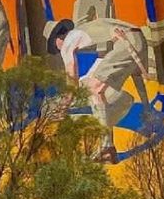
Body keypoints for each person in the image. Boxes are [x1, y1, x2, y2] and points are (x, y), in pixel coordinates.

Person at [44, 17, 149, 162]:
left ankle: (106, 148)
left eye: (55, 47)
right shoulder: (88, 31)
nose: (58, 50)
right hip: (137, 39)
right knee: (95, 86)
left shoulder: (68, 42)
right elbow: (107, 63)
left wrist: (64, 107)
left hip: (125, 42)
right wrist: (146, 106)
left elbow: (71, 80)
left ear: (58, 38)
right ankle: (108, 146)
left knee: (95, 89)